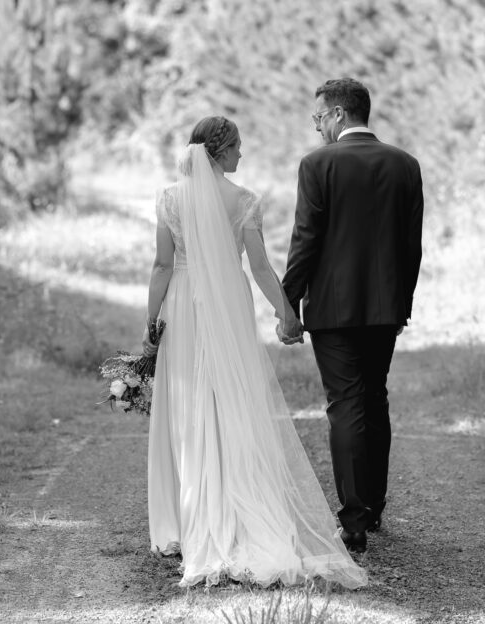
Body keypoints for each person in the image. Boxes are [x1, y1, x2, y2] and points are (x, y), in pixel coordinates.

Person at [141, 116, 368, 589]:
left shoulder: (168, 199)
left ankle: (186, 523)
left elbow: (163, 264)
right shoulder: (243, 201)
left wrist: (150, 324)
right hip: (227, 302)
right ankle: (233, 514)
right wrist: (286, 314)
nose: (242, 155)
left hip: (183, 304)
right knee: (232, 402)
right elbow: (261, 266)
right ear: (220, 151)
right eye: (238, 147)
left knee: (188, 407)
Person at [280, 78, 424, 554]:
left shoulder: (318, 164)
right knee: (374, 397)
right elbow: (411, 247)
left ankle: (353, 520)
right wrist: (401, 304)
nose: (316, 125)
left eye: (319, 116)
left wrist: (288, 305)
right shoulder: (405, 165)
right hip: (384, 309)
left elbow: (306, 239)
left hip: (333, 310)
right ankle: (375, 506)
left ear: (341, 114)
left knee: (345, 404)